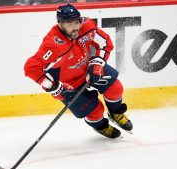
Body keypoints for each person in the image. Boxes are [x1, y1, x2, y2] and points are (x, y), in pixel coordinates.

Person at [24, 4, 133, 138]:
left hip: (88, 68)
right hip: (68, 85)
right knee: (96, 111)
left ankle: (116, 113)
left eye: (77, 22)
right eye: (70, 24)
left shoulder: (87, 26)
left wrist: (97, 64)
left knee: (116, 88)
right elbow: (31, 67)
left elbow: (105, 43)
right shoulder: (53, 44)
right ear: (60, 24)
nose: (75, 27)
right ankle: (101, 126)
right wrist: (52, 86)